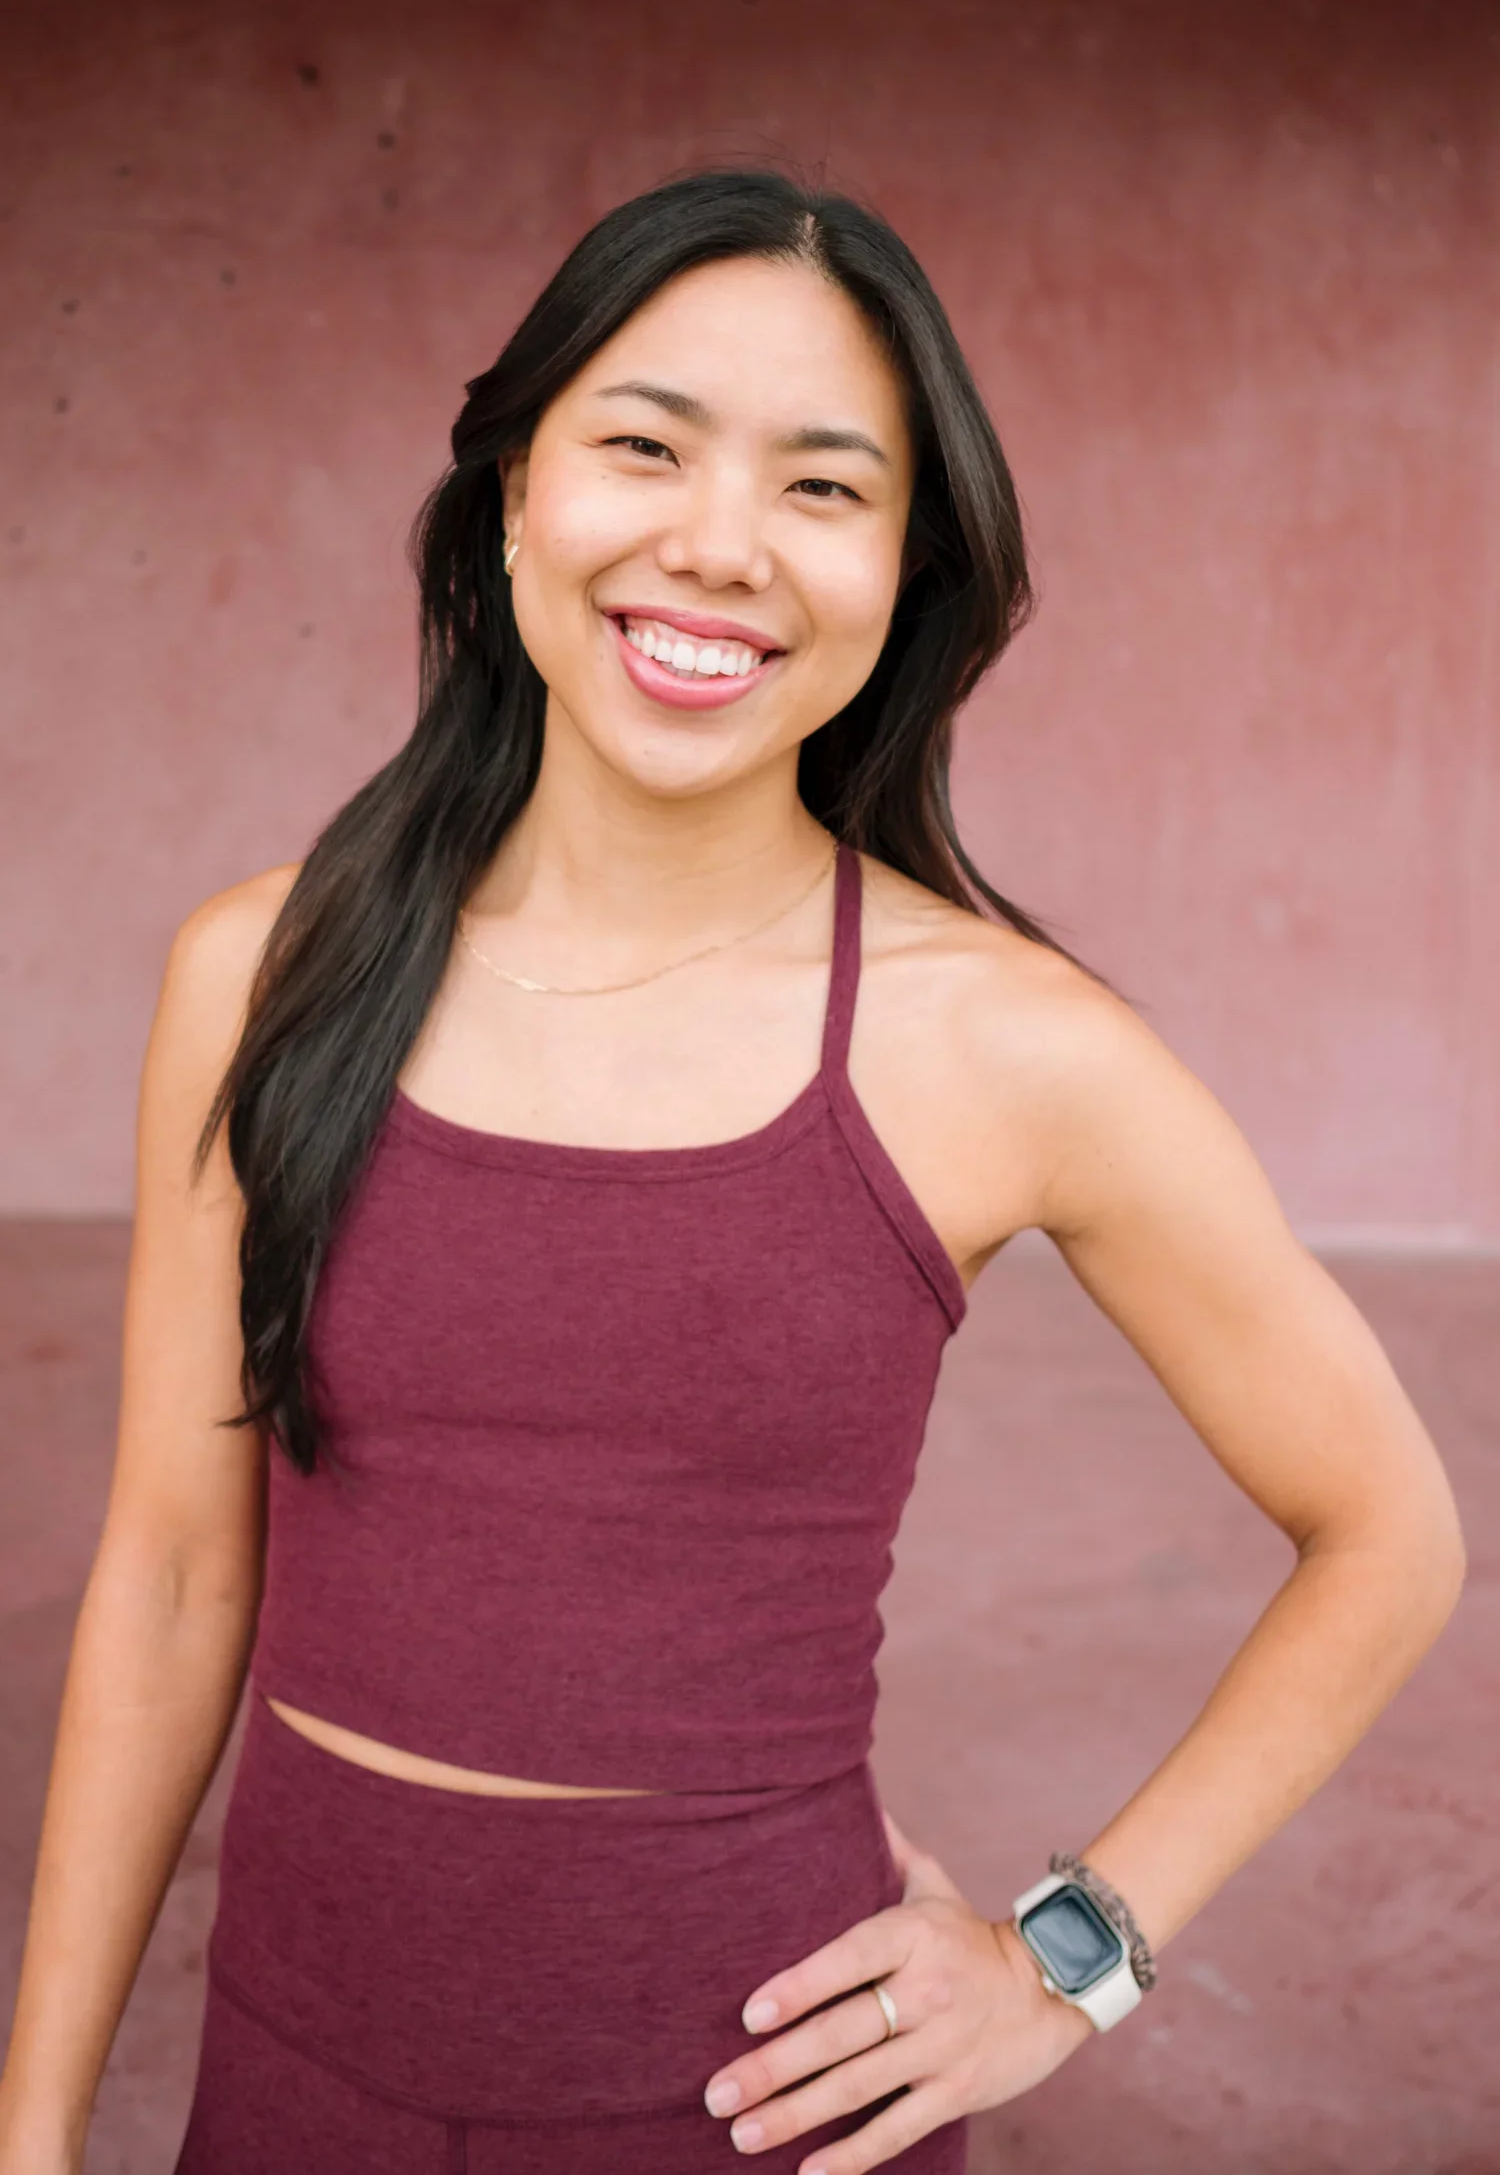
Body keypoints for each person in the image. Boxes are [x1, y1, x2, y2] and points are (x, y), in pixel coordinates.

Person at [0, 168, 1464, 2175]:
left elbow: (1390, 1530)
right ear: (514, 491)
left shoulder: (1007, 1044)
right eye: (643, 446)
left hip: (750, 2115)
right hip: (288, 2088)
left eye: (824, 487)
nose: (718, 548)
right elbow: (173, 1583)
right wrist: (34, 2129)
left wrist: (1066, 1963)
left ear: (907, 571)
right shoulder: (262, 972)